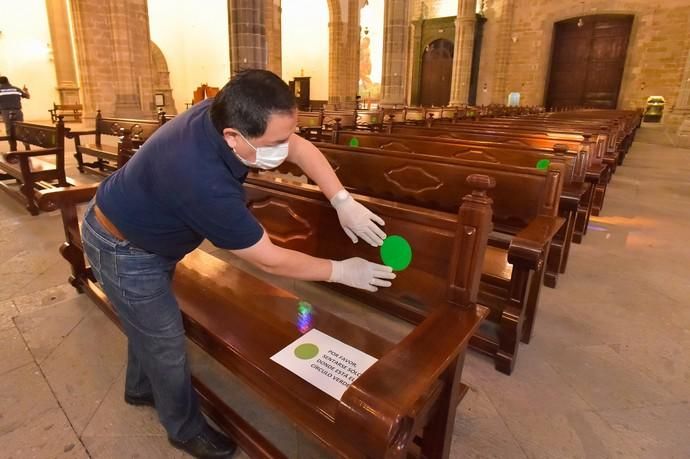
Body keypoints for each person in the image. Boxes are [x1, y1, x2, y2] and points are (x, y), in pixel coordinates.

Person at [80, 69, 395, 459]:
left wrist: (342, 200)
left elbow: (297, 148)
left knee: (146, 323)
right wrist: (343, 271)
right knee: (165, 342)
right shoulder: (202, 179)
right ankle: (184, 429)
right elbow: (270, 260)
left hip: (144, 228)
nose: (284, 149)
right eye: (274, 142)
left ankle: (140, 387)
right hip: (123, 247)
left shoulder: (230, 110)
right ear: (233, 137)